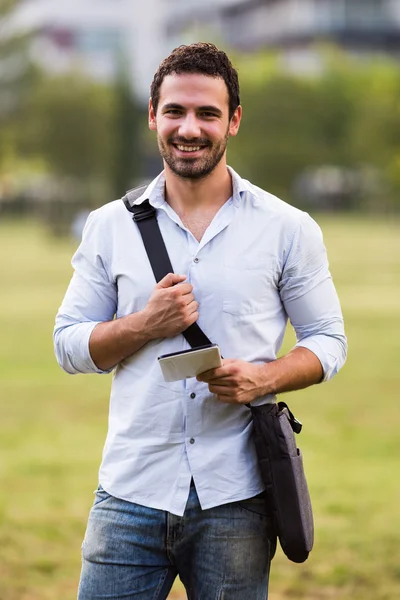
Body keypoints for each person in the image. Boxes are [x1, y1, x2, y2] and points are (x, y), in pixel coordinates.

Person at [54, 42, 347, 600]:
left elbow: (329, 341)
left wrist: (267, 378)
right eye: (176, 112)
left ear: (233, 121)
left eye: (207, 113)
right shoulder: (108, 226)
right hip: (129, 493)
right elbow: (68, 345)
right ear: (153, 117)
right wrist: (144, 325)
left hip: (237, 498)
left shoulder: (288, 228)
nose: (190, 128)